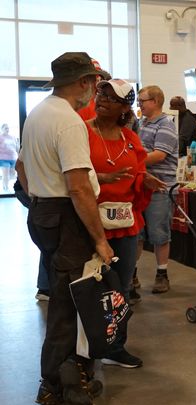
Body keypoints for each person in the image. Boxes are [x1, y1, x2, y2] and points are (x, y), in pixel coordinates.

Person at [16, 51, 113, 405]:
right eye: (93, 82)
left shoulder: (39, 113)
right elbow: (78, 186)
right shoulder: (69, 122)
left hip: (43, 213)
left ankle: (66, 377)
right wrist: (100, 239)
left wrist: (39, 200)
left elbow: (21, 169)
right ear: (83, 82)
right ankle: (57, 384)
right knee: (69, 302)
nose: (94, 90)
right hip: (65, 216)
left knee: (63, 294)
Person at [86, 79, 165, 369]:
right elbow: (72, 175)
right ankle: (85, 349)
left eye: (111, 97)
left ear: (123, 107)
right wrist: (100, 178)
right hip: (90, 224)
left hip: (125, 224)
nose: (102, 99)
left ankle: (116, 346)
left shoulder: (130, 139)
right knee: (88, 289)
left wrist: (145, 180)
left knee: (119, 290)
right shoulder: (82, 133)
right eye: (100, 93)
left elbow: (138, 170)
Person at [135, 85, 178, 297]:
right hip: (141, 186)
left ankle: (162, 274)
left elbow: (159, 155)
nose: (139, 104)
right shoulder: (142, 124)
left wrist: (131, 160)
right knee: (137, 234)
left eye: (143, 101)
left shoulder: (166, 125)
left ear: (155, 101)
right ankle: (132, 274)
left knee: (159, 233)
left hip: (160, 189)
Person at [0, 123, 18, 190]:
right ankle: (5, 187)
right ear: (2, 129)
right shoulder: (0, 137)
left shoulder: (12, 137)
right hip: (3, 159)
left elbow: (16, 146)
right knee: (6, 175)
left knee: (13, 174)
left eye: (8, 128)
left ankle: (4, 183)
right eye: (6, 128)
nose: (7, 129)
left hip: (13, 158)